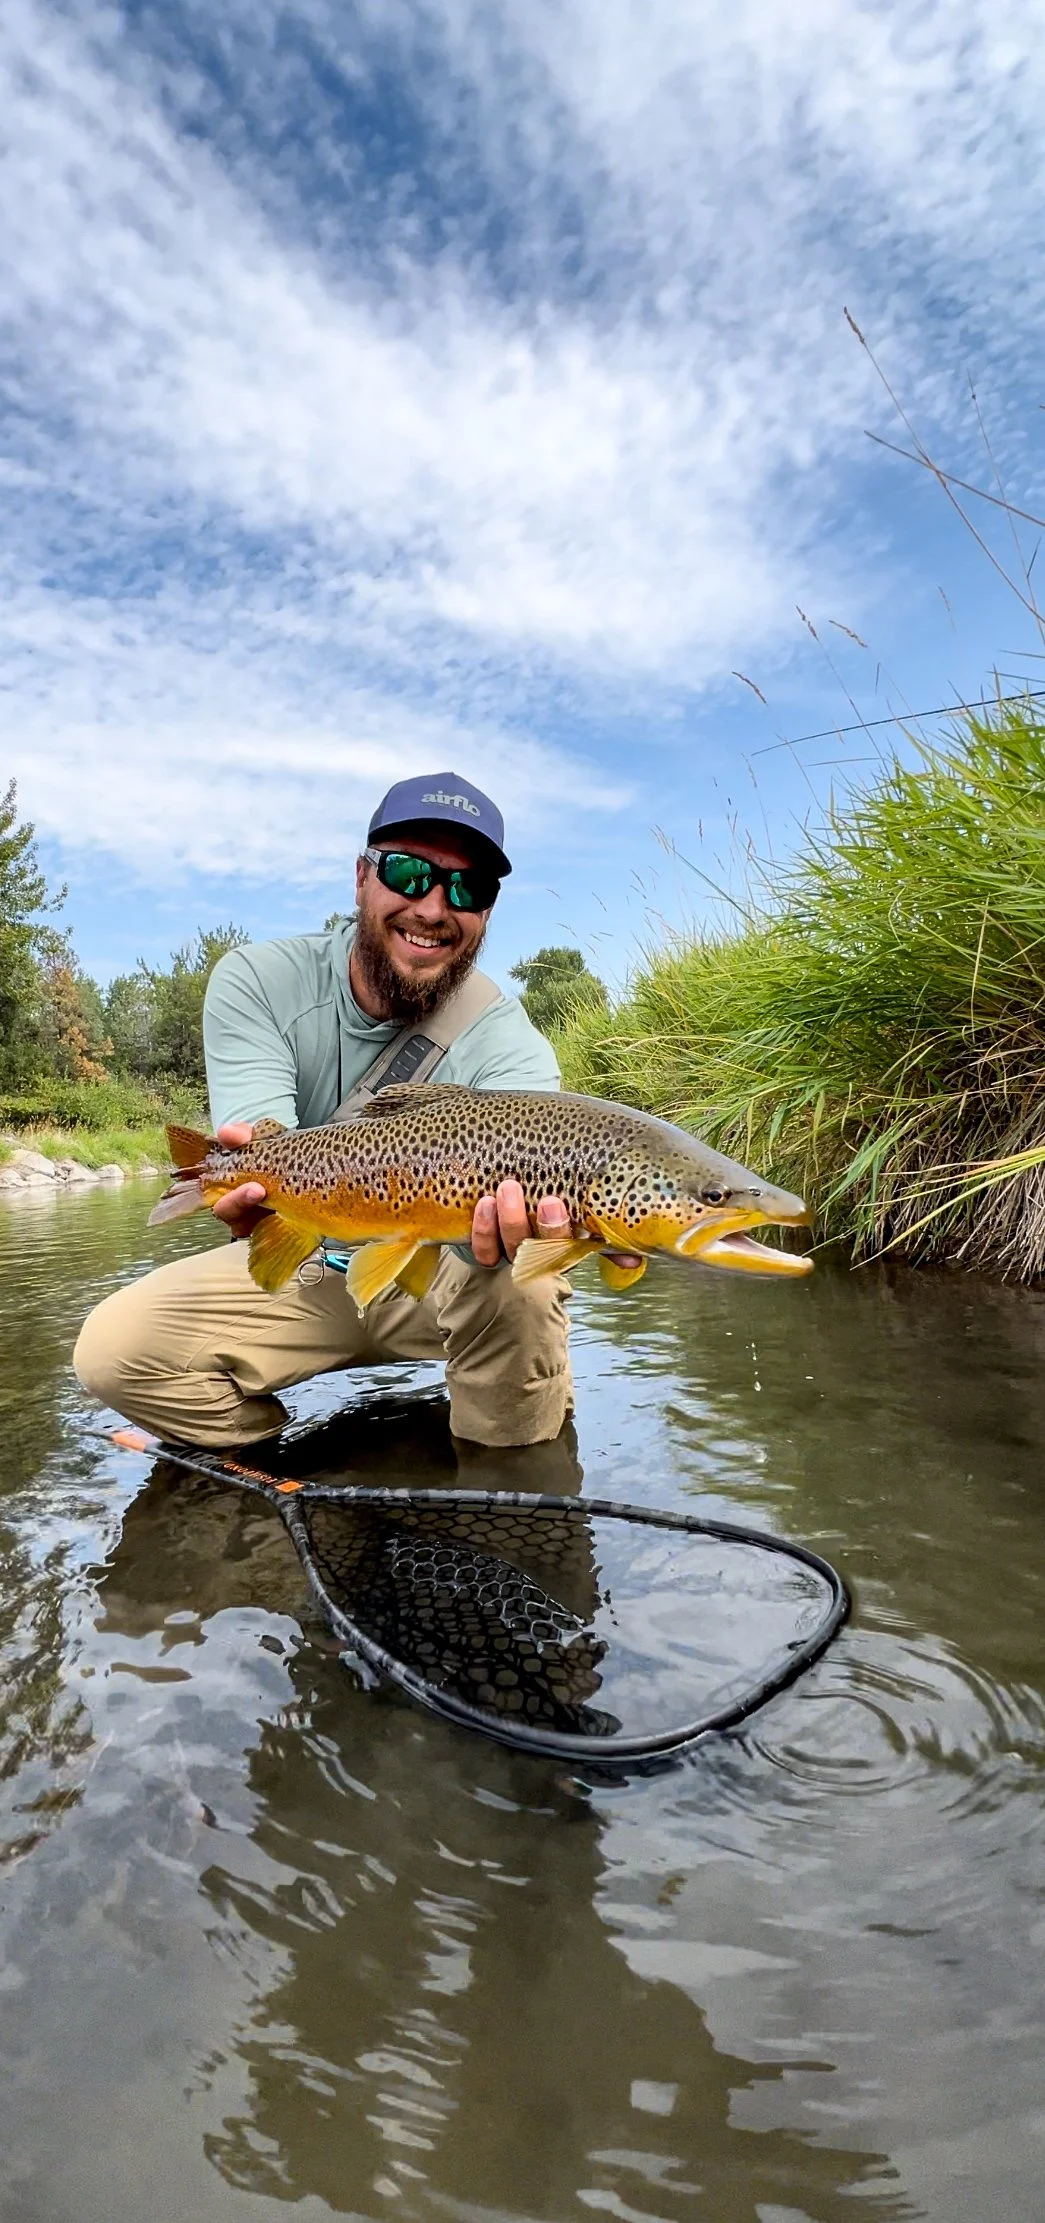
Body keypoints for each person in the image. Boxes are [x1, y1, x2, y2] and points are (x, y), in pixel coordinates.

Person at [74, 772, 585, 1454]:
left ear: (486, 913)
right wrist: (240, 1179)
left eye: (468, 887)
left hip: (448, 1273)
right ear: (361, 878)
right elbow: (262, 1150)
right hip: (313, 1258)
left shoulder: (509, 1043)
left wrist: (556, 1234)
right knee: (114, 1350)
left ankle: (508, 1471)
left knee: (523, 1282)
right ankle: (286, 1467)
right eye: (408, 872)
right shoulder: (258, 980)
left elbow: (520, 1230)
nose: (433, 906)